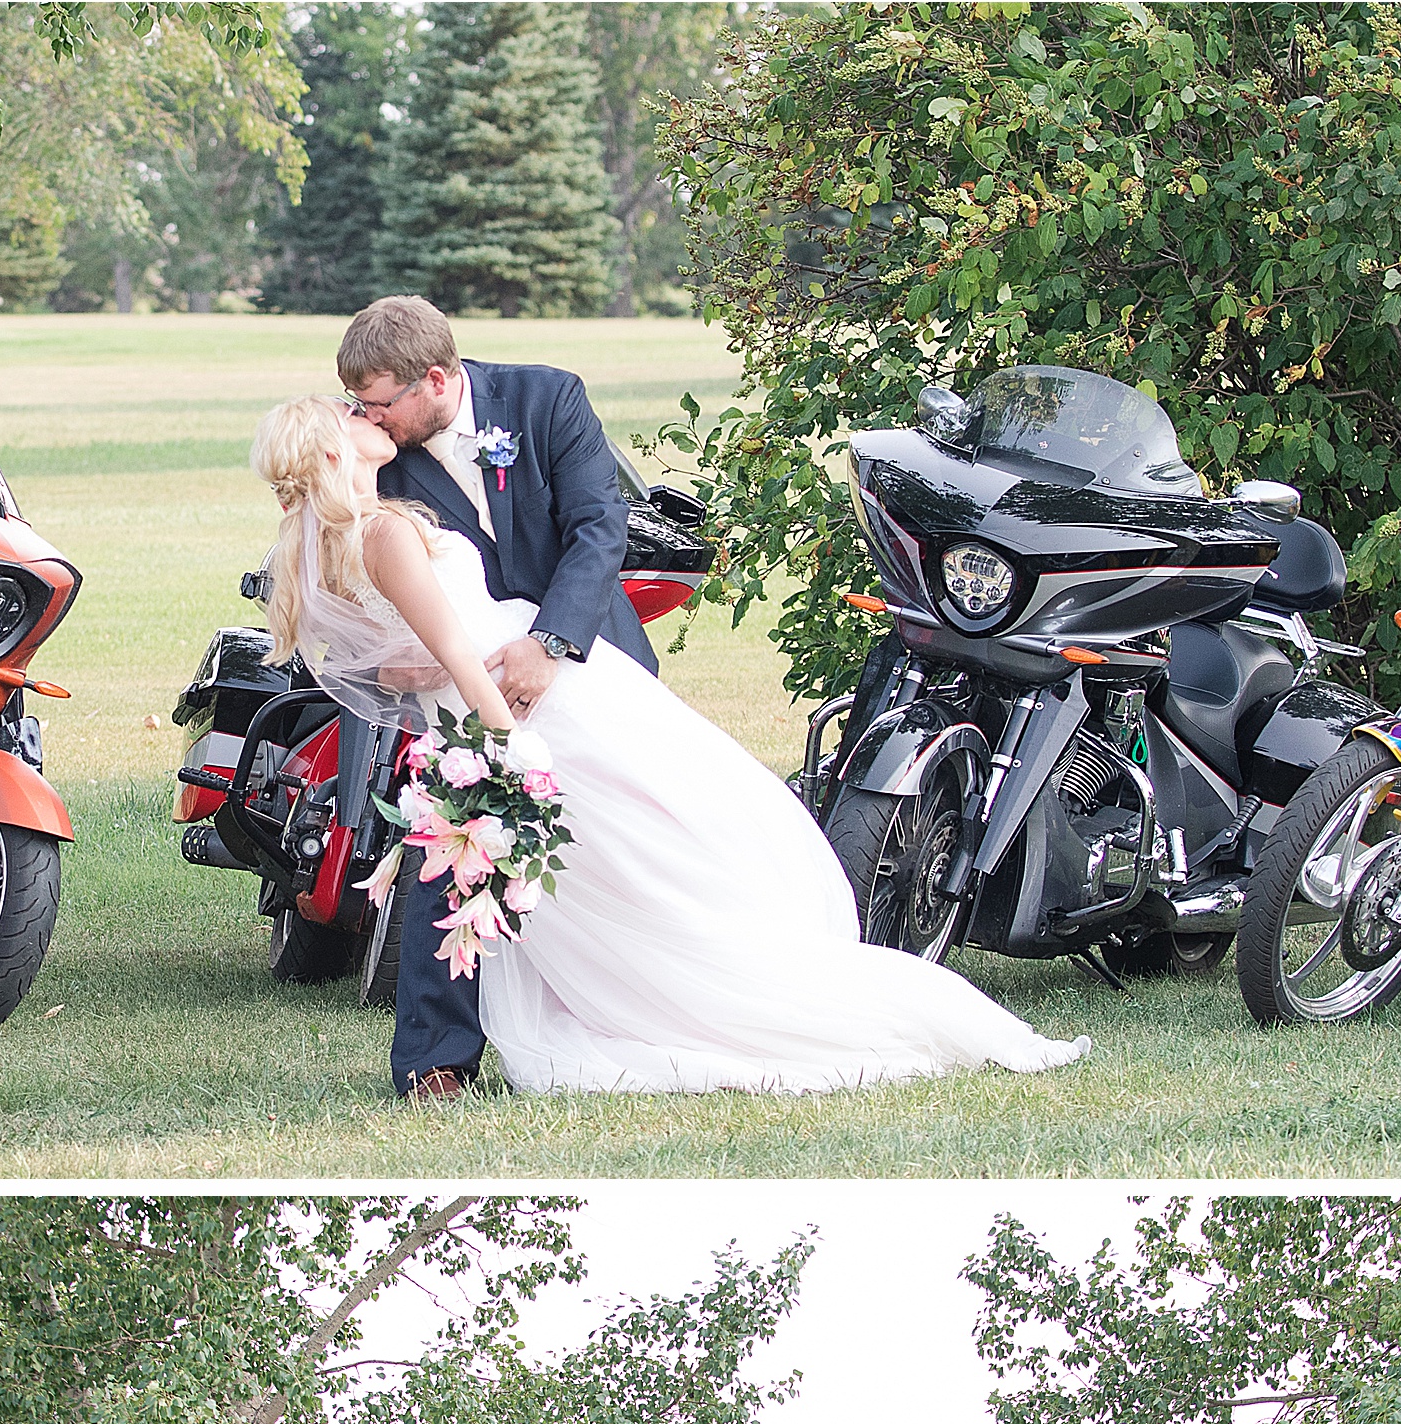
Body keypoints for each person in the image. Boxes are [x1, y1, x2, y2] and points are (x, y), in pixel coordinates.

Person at [254, 327, 1091, 1105]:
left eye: (378, 402)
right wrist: (467, 680)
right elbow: (387, 620)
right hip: (477, 704)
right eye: (355, 410)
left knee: (660, 846)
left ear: (435, 379)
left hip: (579, 668)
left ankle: (717, 988)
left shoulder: (544, 399)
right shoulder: (376, 482)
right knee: (475, 865)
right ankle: (437, 1059)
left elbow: (597, 526)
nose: (370, 418)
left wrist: (549, 643)